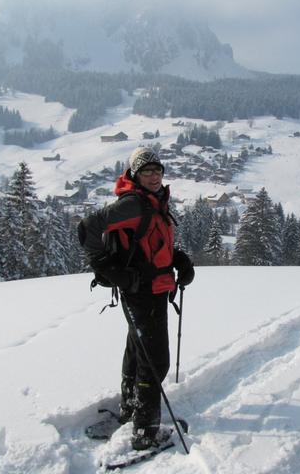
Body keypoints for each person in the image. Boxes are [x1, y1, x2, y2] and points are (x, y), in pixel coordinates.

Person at [77, 147, 194, 450]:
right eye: (147, 171)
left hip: (153, 288)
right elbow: (87, 228)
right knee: (155, 361)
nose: (154, 176)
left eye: (158, 170)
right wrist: (109, 270)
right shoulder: (133, 205)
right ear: (134, 175)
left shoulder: (153, 202)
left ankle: (131, 409)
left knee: (138, 352)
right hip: (142, 292)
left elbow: (151, 245)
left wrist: (179, 260)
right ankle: (145, 432)